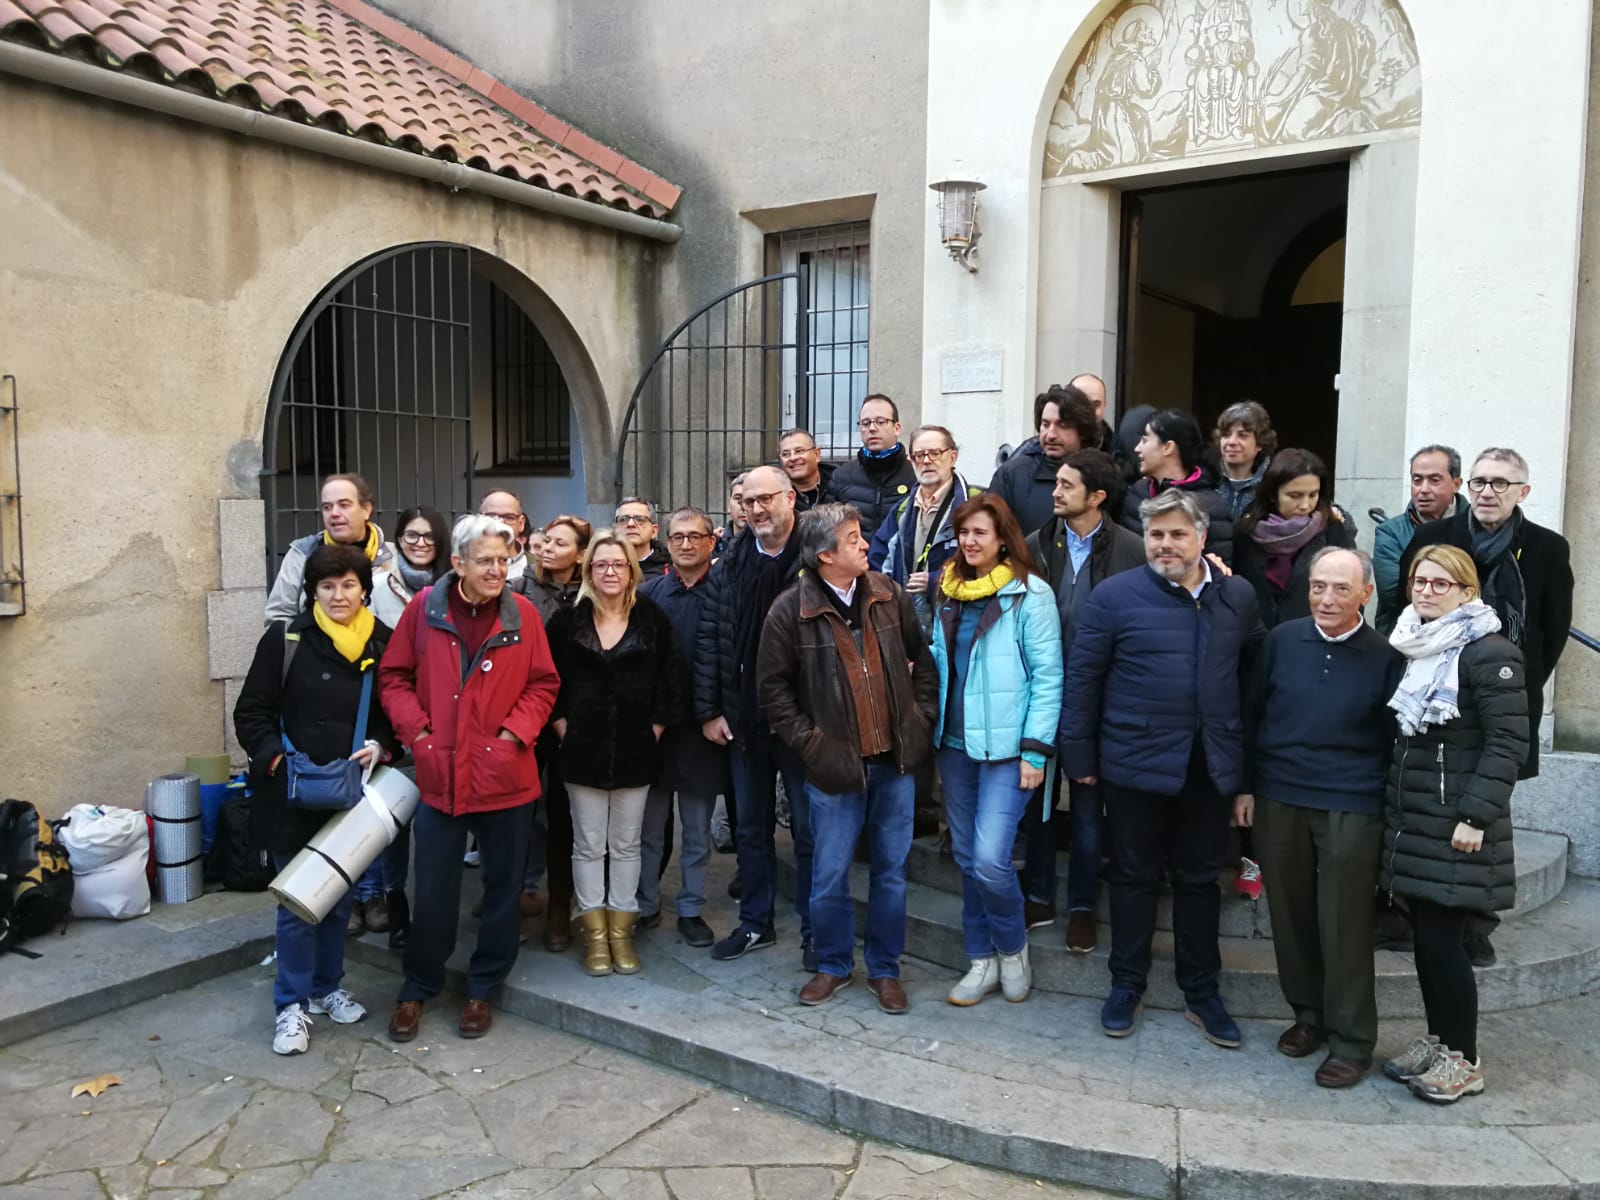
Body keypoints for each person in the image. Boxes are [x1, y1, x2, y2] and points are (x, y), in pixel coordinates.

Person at [1061, 488, 1261, 1047]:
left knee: (1200, 881)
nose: (1165, 545)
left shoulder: (1236, 596)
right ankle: (1126, 984)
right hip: (1133, 763)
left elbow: (1254, 672)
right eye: (1155, 535)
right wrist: (1079, 756)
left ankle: (1203, 992)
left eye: (1177, 534)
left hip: (1208, 765)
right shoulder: (1114, 596)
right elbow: (1084, 680)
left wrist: (1246, 774)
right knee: (1133, 876)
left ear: (1202, 538)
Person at [378, 515, 560, 1043]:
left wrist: (513, 735)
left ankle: (484, 985)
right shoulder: (423, 610)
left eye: (504, 560)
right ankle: (417, 986)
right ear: (458, 563)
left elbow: (544, 685)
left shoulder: (523, 614)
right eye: (485, 560)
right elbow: (394, 677)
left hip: (505, 777)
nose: (497, 570)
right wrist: (420, 735)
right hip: (441, 777)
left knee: (504, 891)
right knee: (433, 890)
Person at [758, 504, 938, 1012]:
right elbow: (773, 692)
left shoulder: (889, 594)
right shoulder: (789, 610)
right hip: (834, 769)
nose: (864, 545)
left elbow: (924, 664)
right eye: (853, 538)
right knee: (829, 875)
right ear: (824, 555)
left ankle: (885, 968)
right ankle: (833, 964)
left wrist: (919, 721)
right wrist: (815, 745)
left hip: (895, 765)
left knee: (891, 873)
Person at [1239, 548, 1404, 1088]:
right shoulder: (1282, 641)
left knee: (1344, 923)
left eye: (1339, 588)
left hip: (1351, 802)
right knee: (1289, 914)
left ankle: (1352, 1040)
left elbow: (1392, 742)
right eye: (1317, 587)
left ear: (1366, 594)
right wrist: (1245, 786)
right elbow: (1253, 713)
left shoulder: (1387, 657)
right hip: (1280, 794)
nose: (1326, 598)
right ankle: (1308, 1016)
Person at [235, 543, 402, 1055]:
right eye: (327, 586)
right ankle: (291, 1005)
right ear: (313, 591)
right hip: (291, 789)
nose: (338, 595)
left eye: (348, 585)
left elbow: (394, 712)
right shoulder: (285, 639)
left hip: (350, 792)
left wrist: (383, 745)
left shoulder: (383, 640)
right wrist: (274, 760)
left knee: (337, 899)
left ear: (364, 589)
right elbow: (252, 712)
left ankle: (328, 987)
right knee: (299, 903)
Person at [1379, 545, 1527, 1103]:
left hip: (1457, 821)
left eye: (1441, 584)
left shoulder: (1490, 652)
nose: (1426, 591)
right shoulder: (1417, 645)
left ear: (1468, 592)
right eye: (1420, 581)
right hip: (1415, 815)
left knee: (1444, 942)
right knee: (1425, 940)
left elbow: (1509, 742)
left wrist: (1475, 815)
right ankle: (1441, 1041)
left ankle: (1465, 1059)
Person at [930, 494, 1063, 1007]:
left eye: (980, 533)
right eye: (964, 533)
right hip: (955, 745)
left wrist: (1035, 751)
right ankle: (979, 960)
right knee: (966, 857)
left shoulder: (1031, 594)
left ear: (1003, 538)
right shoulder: (947, 591)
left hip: (1009, 749)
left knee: (989, 858)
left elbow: (1050, 677)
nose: (969, 541)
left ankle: (1011, 949)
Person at [544, 532, 684, 977]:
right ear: (588, 571)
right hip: (581, 750)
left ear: (631, 572)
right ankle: (595, 935)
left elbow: (671, 680)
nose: (609, 571)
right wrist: (564, 728)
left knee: (625, 845)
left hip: (635, 750)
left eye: (618, 565)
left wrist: (655, 729)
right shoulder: (567, 622)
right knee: (587, 845)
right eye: (601, 564)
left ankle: (621, 931)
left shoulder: (653, 620)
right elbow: (548, 683)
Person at [1023, 449, 1144, 951]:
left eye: (1067, 485)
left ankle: (1082, 907)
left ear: (1097, 496)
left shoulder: (1132, 551)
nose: (1055, 491)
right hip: (1044, 690)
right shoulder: (1035, 544)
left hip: (1102, 697)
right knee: (1039, 801)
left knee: (1091, 806)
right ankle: (1037, 894)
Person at [1396, 447, 1572, 781]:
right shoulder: (1432, 538)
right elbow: (1403, 607)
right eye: (1479, 483)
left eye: (1500, 483)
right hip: (1435, 686)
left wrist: (1517, 675)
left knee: (1496, 783)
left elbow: (1554, 628)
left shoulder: (1548, 548)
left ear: (1524, 491)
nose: (1487, 492)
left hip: (1508, 689)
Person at [695, 465, 811, 963]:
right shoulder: (730, 564)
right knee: (750, 830)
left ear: (790, 498)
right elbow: (712, 641)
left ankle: (816, 929)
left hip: (803, 723)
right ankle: (756, 923)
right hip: (744, 720)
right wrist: (711, 710)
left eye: (767, 499)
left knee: (809, 829)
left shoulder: (817, 557)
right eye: (749, 502)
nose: (758, 510)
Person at [639, 509, 730, 947]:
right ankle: (645, 904)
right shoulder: (649, 593)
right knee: (649, 830)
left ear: (713, 541)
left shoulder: (728, 591)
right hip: (656, 731)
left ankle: (691, 908)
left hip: (703, 730)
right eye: (678, 537)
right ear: (668, 543)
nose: (687, 544)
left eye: (696, 536)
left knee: (696, 830)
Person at [367, 505, 451, 947]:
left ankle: (436, 908)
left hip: (444, 714)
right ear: (398, 538)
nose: (419, 543)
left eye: (428, 537)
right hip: (392, 714)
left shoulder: (454, 590)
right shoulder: (378, 586)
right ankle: (394, 899)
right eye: (411, 535)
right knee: (395, 818)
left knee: (437, 821)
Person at [523, 514, 593, 951]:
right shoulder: (520, 590)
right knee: (523, 814)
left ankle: (561, 907)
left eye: (560, 543)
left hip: (574, 718)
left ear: (580, 554)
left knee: (565, 816)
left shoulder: (591, 595)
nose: (547, 548)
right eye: (545, 540)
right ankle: (518, 893)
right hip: (530, 716)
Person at [868, 424, 979, 630]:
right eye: (919, 455)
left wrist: (936, 581)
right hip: (910, 626)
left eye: (935, 453)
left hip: (960, 624)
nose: (926, 461)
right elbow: (878, 563)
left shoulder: (975, 505)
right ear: (911, 460)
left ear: (952, 457)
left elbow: (990, 565)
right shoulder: (901, 510)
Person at [1234, 449, 1355, 629]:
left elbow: (1352, 589)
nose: (1305, 505)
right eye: (1294, 496)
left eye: (1313, 495)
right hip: (1255, 642)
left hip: (1314, 640)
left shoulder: (1333, 531)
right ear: (1273, 495)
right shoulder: (1246, 533)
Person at [264, 473, 395, 624]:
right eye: (327, 507)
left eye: (344, 505)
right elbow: (278, 618)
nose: (334, 513)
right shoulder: (302, 554)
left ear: (366, 509)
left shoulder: (393, 557)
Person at [1120, 409, 1235, 565]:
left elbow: (1216, 570)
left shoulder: (1211, 506)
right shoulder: (1137, 493)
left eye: (1145, 440)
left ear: (1168, 447)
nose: (1137, 448)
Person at [1373, 445, 1466, 636]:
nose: (1423, 489)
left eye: (1434, 480)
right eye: (1417, 480)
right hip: (1407, 637)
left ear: (1456, 484)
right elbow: (1393, 594)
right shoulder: (1390, 532)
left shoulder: (1476, 526)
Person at [990, 384, 1101, 536]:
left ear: (1082, 431)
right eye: (1045, 424)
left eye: (1062, 425)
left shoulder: (1103, 476)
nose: (1050, 435)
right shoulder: (1012, 474)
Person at [827, 395, 916, 536]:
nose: (872, 428)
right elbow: (828, 532)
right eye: (866, 423)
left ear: (896, 428)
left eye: (880, 422)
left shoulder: (915, 475)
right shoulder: (842, 476)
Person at [1212, 401, 1278, 522]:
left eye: (1242, 435)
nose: (1231, 442)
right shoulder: (1207, 480)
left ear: (1260, 443)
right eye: (1226, 435)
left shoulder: (1271, 486)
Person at [480, 490, 533, 586]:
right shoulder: (465, 567)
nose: (500, 523)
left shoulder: (540, 569)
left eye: (509, 517)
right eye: (491, 517)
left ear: (521, 523)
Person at [779, 429, 836, 512]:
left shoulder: (841, 482)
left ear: (816, 454)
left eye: (799, 451)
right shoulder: (776, 492)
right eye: (786, 454)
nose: (793, 458)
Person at [615, 496, 672, 578]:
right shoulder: (604, 570)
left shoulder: (670, 574)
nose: (631, 524)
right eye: (623, 519)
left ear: (654, 531)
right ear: (615, 529)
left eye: (640, 519)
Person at [1067, 372, 1114, 455]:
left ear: (1104, 406)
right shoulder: (1043, 451)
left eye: (1096, 404)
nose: (1089, 411)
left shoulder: (1118, 454)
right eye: (1082, 404)